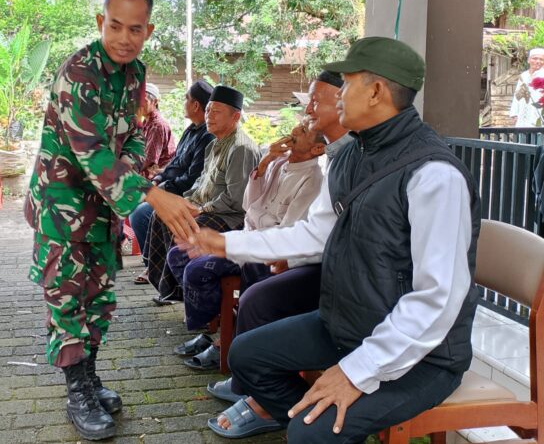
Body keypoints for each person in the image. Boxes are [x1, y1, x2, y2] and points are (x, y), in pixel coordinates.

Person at [180, 37, 480, 442]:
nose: (338, 95)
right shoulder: (352, 156)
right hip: (349, 326)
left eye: (348, 83)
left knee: (310, 434)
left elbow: (437, 299)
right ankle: (312, 419)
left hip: (423, 354)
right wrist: (226, 244)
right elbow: (315, 233)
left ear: (376, 92)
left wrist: (356, 372)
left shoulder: (434, 175)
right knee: (246, 356)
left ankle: (315, 426)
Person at [24, 0, 199, 441]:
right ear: (101, 22)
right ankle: (77, 391)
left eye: (135, 29)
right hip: (63, 206)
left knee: (98, 297)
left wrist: (135, 170)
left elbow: (136, 133)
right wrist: (151, 194)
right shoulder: (79, 73)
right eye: (115, 26)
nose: (124, 38)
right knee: (67, 298)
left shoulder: (135, 73)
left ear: (148, 31)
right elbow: (92, 152)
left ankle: (90, 376)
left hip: (104, 208)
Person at [205, 70, 352, 401]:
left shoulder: (338, 163)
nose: (307, 110)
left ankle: (257, 393)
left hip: (337, 276)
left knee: (256, 297)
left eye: (316, 101)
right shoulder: (332, 157)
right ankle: (236, 360)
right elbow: (313, 227)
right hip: (309, 257)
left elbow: (318, 232)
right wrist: (268, 161)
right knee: (249, 275)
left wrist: (285, 256)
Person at [174, 119, 326, 371]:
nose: (294, 131)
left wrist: (247, 241)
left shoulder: (313, 180)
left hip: (266, 249)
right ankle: (221, 328)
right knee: (179, 256)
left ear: (317, 149)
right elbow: (249, 203)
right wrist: (265, 162)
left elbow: (288, 232)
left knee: (197, 270)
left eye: (303, 131)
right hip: (249, 235)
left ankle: (223, 341)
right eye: (298, 125)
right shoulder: (278, 162)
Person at [145, 84, 260, 305]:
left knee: (181, 226)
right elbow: (201, 182)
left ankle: (199, 299)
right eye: (208, 110)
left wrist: (200, 209)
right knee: (162, 215)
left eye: (216, 111)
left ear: (235, 116)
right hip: (207, 208)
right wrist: (185, 202)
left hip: (229, 217)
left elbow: (236, 199)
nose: (209, 116)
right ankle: (174, 289)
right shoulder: (214, 144)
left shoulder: (240, 148)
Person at [130, 80, 214, 284]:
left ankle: (156, 268)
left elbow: (193, 178)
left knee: (141, 213)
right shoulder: (191, 130)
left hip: (187, 195)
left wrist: (162, 187)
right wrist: (159, 179)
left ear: (196, 105)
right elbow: (175, 163)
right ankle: (154, 266)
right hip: (169, 185)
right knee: (136, 207)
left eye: (186, 99)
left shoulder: (206, 136)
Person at [140, 83, 175, 179]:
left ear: (155, 102)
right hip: (148, 171)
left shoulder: (157, 126)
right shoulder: (146, 122)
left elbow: (149, 160)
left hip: (159, 176)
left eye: (144, 101)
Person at [510, 48, 544, 127]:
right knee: (522, 132)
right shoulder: (524, 75)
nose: (538, 61)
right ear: (528, 60)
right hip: (522, 115)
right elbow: (517, 95)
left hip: (538, 114)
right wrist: (514, 113)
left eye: (541, 59)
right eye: (535, 58)